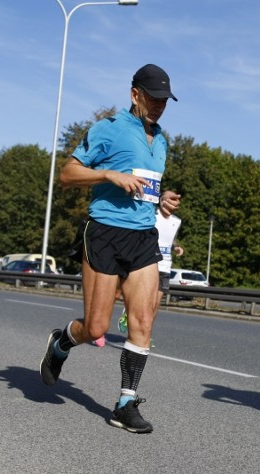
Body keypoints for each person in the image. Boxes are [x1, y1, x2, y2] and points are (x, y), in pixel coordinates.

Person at [39, 63, 180, 434]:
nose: (159, 106)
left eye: (165, 100)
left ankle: (125, 403)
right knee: (97, 325)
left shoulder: (161, 140)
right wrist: (107, 174)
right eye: (153, 98)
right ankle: (61, 341)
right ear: (135, 94)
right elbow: (68, 174)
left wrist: (160, 199)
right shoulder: (109, 129)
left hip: (142, 236)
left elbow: (144, 186)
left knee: (143, 320)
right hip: (104, 232)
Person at [118, 205, 184, 337]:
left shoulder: (176, 221)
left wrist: (176, 247)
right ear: (162, 201)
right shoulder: (152, 216)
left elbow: (172, 239)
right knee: (145, 302)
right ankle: (130, 318)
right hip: (149, 262)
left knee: (155, 305)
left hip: (166, 266)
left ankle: (145, 334)